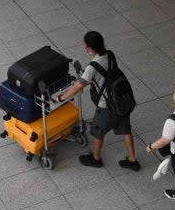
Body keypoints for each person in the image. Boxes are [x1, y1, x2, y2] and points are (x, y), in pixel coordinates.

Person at [53, 31, 140, 171]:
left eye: (85, 44)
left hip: (107, 105)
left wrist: (61, 97)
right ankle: (132, 160)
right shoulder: (110, 55)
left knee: (97, 131)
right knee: (125, 129)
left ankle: (95, 159)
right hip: (121, 101)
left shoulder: (92, 67)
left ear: (88, 47)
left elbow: (77, 87)